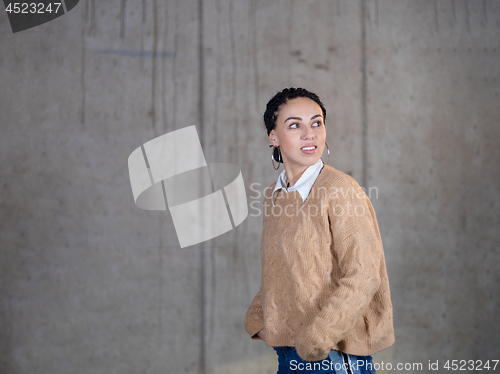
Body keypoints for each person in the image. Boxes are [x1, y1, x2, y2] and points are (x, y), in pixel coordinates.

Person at [244, 88, 394, 374]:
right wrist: (258, 321)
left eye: (316, 123)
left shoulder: (340, 189)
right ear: (273, 137)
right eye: (294, 125)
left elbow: (365, 274)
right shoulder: (275, 195)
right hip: (289, 356)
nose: (309, 134)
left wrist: (315, 338)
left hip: (332, 357)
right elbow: (281, 270)